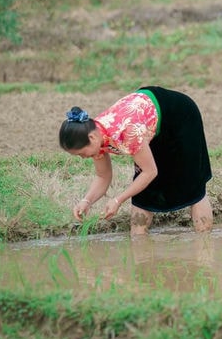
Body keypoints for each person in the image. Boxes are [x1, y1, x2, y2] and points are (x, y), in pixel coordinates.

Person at [59, 86, 213, 235]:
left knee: (192, 185)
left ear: (91, 138)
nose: (83, 157)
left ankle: (204, 242)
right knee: (143, 194)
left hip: (180, 115)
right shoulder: (96, 137)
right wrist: (86, 201)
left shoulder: (128, 133)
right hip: (148, 123)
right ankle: (139, 243)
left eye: (81, 153)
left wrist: (118, 200)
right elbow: (103, 177)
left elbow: (150, 172)